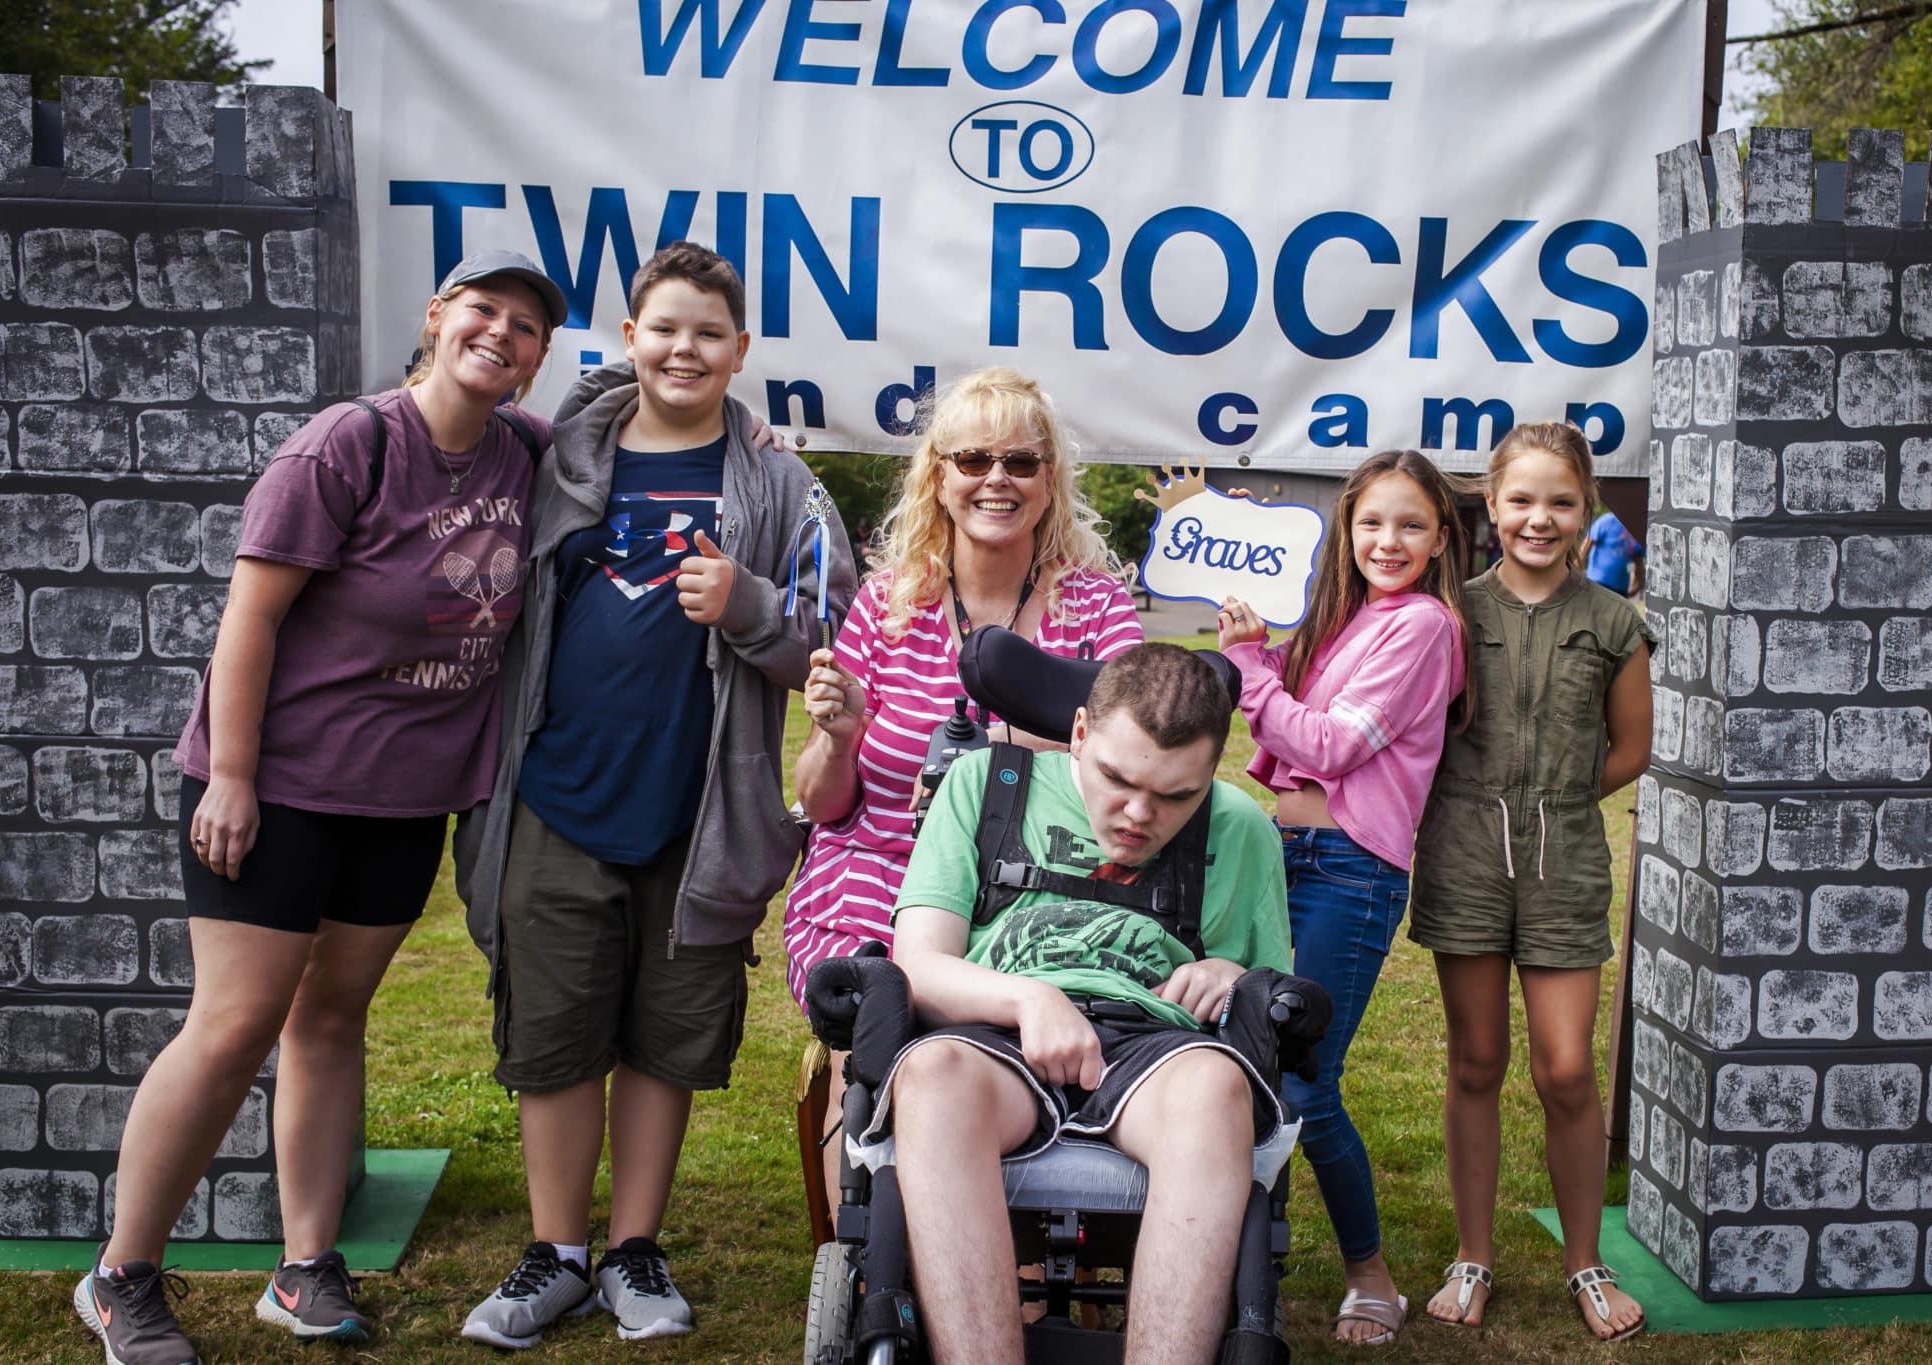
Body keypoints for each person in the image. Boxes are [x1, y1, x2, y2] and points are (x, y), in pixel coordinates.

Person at [73, 252, 565, 1364]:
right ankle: (121, 1275)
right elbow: (248, 619)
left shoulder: (524, 451)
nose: (501, 333)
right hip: (279, 786)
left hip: (402, 798)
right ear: (436, 318)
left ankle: (302, 1269)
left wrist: (760, 441)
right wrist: (233, 774)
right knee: (233, 1026)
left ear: (538, 358)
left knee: (330, 1020)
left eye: (526, 326)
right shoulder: (349, 444)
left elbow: (630, 436)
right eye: (483, 311)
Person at [453, 241, 853, 1348]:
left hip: (697, 807)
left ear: (740, 352)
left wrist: (746, 603)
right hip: (551, 792)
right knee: (555, 1030)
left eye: (708, 334)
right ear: (629, 338)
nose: (685, 349)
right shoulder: (553, 458)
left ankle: (633, 1249)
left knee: (663, 1036)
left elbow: (833, 638)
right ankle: (555, 1254)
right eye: (664, 327)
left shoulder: (780, 483)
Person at [782, 369, 1141, 1202]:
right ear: (938, 477)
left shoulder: (1094, 609)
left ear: (1051, 479)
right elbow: (829, 803)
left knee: (1001, 1019)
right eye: (973, 458)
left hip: (1038, 877)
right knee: (871, 1009)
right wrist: (841, 737)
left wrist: (1010, 742)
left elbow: (1133, 767)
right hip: (883, 869)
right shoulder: (887, 604)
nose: (997, 479)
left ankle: (1003, 1254)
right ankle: (872, 1262)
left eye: (1021, 460)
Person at [881, 643, 1291, 1365]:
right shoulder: (987, 783)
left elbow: (1271, 986)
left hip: (1154, 1041)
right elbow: (918, 961)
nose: (1139, 814)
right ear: (1077, 734)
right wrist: (1028, 996)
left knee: (1218, 1087)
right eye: (1117, 779)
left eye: (1176, 795)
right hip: (994, 1026)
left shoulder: (1239, 827)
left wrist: (1229, 970)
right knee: (931, 1077)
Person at [1214, 450, 1469, 1348]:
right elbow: (1272, 696)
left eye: (1409, 524)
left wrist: (1249, 665)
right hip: (1281, 856)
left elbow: (1322, 743)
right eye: (1370, 522)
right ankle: (1233, 1254)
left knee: (1303, 1082)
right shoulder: (1347, 619)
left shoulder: (1425, 628)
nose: (1387, 540)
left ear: (1441, 538)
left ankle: (1373, 1276)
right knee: (1236, 1060)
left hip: (1349, 870)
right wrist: (1247, 581)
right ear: (1345, 529)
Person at [1407, 421, 1653, 1340]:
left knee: (1565, 1067)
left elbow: (1632, 747)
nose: (1538, 519)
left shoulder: (1615, 620)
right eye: (1521, 500)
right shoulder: (1448, 612)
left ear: (1586, 507)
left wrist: (1549, 797)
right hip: (1465, 856)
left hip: (1565, 860)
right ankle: (1473, 1255)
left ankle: (1585, 1263)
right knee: (1476, 1062)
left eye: (1560, 501)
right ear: (1491, 505)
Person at [1584, 508, 1643, 596]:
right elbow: (1584, 549)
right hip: (1597, 582)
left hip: (1620, 589)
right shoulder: (1606, 521)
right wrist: (1571, 576)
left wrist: (1638, 585)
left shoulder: (1637, 530)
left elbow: (1638, 564)